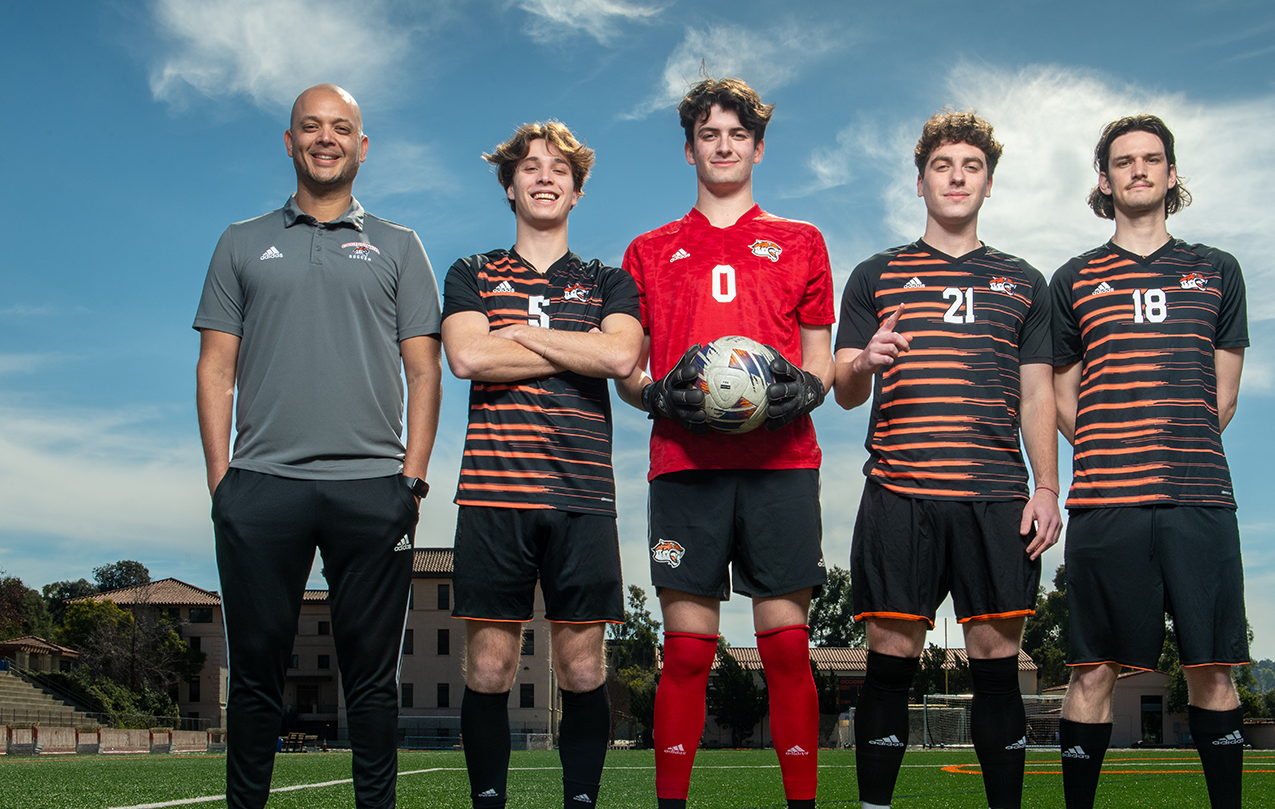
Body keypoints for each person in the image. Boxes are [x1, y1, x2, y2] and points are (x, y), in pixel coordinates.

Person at [194, 83, 442, 809]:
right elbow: (215, 367)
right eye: (311, 126)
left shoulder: (400, 245)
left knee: (371, 678)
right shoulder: (240, 240)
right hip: (260, 486)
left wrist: (412, 482)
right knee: (256, 675)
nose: (325, 138)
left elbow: (424, 368)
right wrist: (223, 483)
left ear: (362, 146)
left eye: (341, 128)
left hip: (373, 489)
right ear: (290, 141)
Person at [616, 77, 835, 809]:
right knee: (684, 652)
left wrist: (806, 388)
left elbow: (821, 359)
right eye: (709, 134)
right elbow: (627, 369)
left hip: (782, 467)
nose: (723, 145)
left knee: (784, 646)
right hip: (685, 466)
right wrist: (654, 393)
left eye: (737, 134)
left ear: (758, 147)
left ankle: (800, 802)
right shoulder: (649, 250)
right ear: (689, 150)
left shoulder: (803, 242)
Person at [834, 110, 1062, 809]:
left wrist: (1048, 485)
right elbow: (842, 387)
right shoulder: (877, 275)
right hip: (899, 493)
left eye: (971, 166)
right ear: (921, 179)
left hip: (994, 497)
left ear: (988, 183)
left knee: (996, 668)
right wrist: (864, 361)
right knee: (888, 667)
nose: (956, 176)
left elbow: (1036, 396)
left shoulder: (1024, 281)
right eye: (942, 165)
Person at [1049, 114, 1250, 809]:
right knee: (1091, 671)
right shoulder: (1073, 279)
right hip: (1107, 502)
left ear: (1171, 174)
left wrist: (1171, 444)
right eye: (1124, 161)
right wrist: (1111, 445)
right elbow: (1059, 399)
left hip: (1200, 500)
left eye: (1152, 159)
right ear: (1104, 180)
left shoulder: (1218, 271)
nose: (1139, 169)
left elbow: (1221, 399)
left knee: (1213, 669)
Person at [440, 121, 642, 809]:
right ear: (509, 184)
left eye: (560, 168)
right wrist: (571, 343)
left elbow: (620, 359)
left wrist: (517, 334)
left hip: (582, 495)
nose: (545, 176)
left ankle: (580, 802)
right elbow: (468, 357)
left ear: (578, 190)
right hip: (495, 493)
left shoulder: (609, 279)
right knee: (490, 667)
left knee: (583, 667)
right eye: (530, 166)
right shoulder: (472, 271)